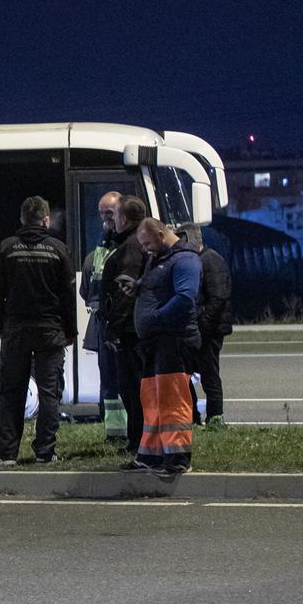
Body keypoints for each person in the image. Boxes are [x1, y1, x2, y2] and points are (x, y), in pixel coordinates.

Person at [0, 196, 78, 466]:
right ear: (46, 220)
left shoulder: (7, 249)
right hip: (50, 330)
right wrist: (69, 330)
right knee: (50, 392)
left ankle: (6, 454)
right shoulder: (58, 249)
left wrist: (1, 323)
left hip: (16, 329)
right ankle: (45, 452)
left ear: (22, 219)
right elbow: (68, 296)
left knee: (11, 391)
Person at [132, 219, 202, 475]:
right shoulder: (160, 258)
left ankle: (178, 458)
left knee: (172, 400)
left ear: (161, 235)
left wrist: (154, 318)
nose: (145, 249)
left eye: (148, 243)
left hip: (174, 339)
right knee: (152, 399)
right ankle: (151, 455)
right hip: (156, 342)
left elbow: (185, 298)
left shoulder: (185, 260)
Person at [97, 195, 149, 455]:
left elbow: (123, 292)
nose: (111, 221)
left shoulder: (130, 247)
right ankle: (136, 440)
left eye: (114, 215)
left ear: (124, 218)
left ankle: (137, 442)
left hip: (128, 332)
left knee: (131, 388)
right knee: (131, 388)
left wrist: (113, 327)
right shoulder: (129, 243)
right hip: (129, 329)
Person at [183, 224, 233, 428]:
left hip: (209, 330)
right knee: (189, 373)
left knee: (209, 374)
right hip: (203, 327)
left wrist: (202, 327)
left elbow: (218, 298)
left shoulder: (210, 260)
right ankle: (193, 415)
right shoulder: (201, 260)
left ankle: (215, 417)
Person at [82, 191, 123, 432]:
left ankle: (125, 431)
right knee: (108, 381)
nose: (105, 219)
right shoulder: (100, 247)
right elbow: (88, 289)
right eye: (102, 214)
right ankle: (114, 430)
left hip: (120, 325)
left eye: (110, 213)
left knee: (121, 380)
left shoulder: (128, 243)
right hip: (104, 325)